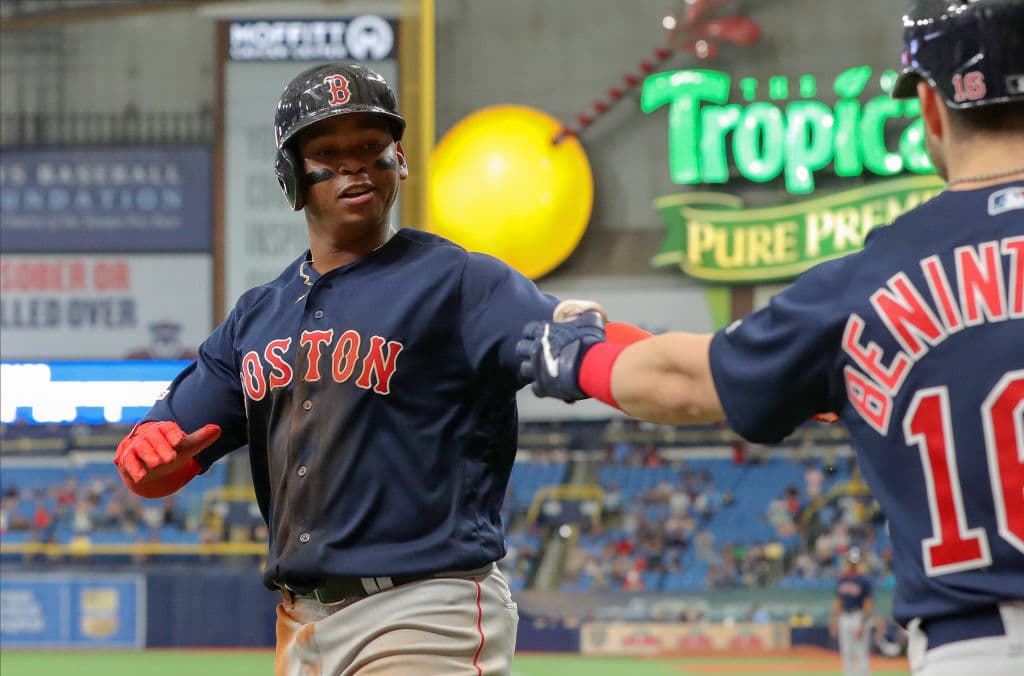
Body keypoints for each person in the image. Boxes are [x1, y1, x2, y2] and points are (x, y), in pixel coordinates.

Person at [517, 2, 1024, 675]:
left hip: (978, 647)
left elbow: (686, 381)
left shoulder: (869, 279)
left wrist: (583, 356)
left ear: (930, 108)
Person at [113, 61, 561, 676]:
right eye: (328, 150)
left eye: (371, 147)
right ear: (291, 175)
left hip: (427, 609)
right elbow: (158, 460)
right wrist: (150, 459)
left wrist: (603, 347)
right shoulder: (257, 318)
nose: (354, 164)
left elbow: (571, 341)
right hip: (301, 626)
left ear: (398, 160)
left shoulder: (459, 282)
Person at [830, 547, 874, 676]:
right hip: (844, 617)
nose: (852, 565)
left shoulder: (864, 580)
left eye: (854, 562)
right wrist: (834, 619)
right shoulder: (842, 579)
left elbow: (868, 604)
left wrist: (863, 624)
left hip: (858, 616)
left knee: (861, 652)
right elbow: (838, 601)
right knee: (846, 652)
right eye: (850, 562)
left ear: (858, 562)